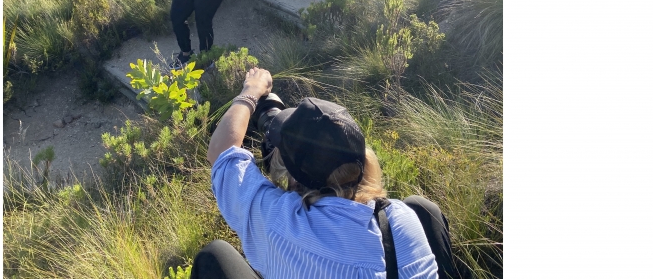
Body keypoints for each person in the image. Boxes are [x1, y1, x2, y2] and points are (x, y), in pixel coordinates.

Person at [191, 67, 465, 279]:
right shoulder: (400, 219)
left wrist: (250, 92)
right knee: (423, 206)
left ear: (294, 176)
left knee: (214, 256)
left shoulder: (277, 219)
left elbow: (221, 152)